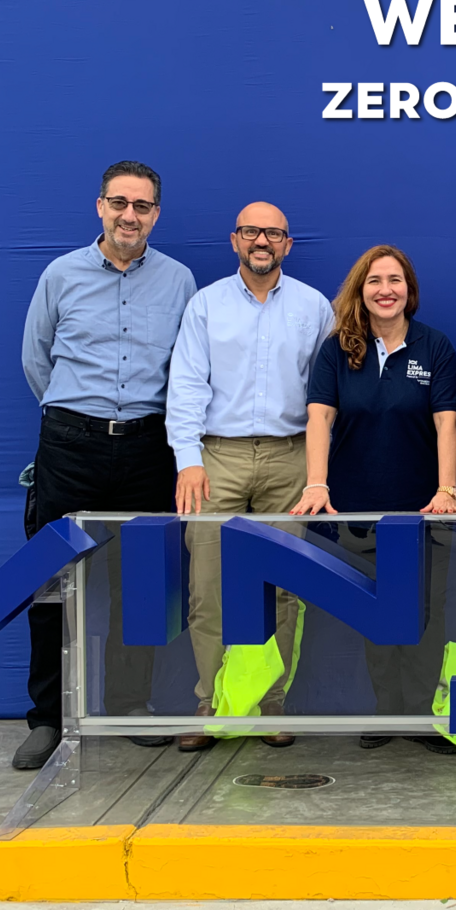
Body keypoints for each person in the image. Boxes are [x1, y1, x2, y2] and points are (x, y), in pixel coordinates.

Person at [16, 160, 195, 770]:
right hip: (70, 445)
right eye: (119, 202)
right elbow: (36, 359)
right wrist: (77, 418)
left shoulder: (179, 280)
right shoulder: (60, 274)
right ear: (100, 206)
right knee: (50, 583)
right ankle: (48, 717)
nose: (129, 215)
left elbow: (187, 367)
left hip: (147, 448)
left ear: (156, 215)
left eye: (142, 206)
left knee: (142, 586)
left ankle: (127, 705)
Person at [166, 203, 334, 752]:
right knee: (208, 587)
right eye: (251, 232)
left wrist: (318, 469)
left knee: (284, 589)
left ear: (288, 244)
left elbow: (327, 394)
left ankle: (268, 701)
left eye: (273, 233)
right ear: (235, 240)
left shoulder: (314, 307)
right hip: (217, 459)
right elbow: (186, 385)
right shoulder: (205, 304)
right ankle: (213, 702)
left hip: (291, 459)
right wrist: (188, 459)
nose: (262, 241)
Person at [290, 245, 456, 755]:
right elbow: (319, 417)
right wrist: (316, 482)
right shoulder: (337, 350)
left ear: (410, 290)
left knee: (427, 616)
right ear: (360, 291)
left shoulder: (434, 346)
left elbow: (447, 424)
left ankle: (424, 717)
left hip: (425, 511)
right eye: (375, 281)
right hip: (360, 511)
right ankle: (388, 709)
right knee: (377, 614)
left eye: (395, 280)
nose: (385, 290)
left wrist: (446, 489)